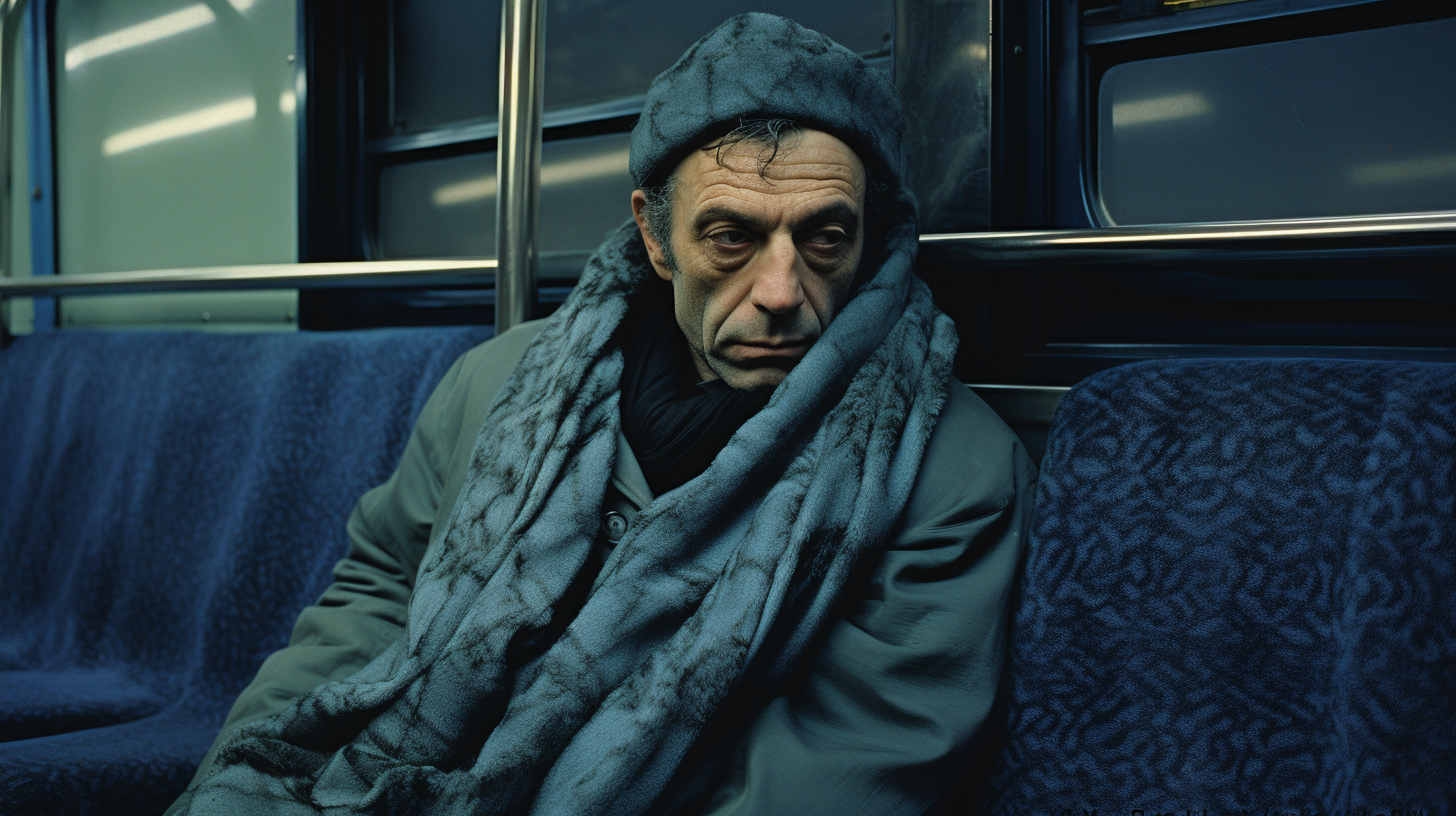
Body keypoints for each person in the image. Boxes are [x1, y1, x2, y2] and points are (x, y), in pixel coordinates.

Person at [170, 13, 1035, 815]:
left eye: (824, 240)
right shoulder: (495, 385)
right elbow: (380, 592)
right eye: (730, 237)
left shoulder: (946, 472)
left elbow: (840, 765)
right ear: (656, 238)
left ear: (868, 243)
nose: (780, 292)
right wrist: (245, 767)